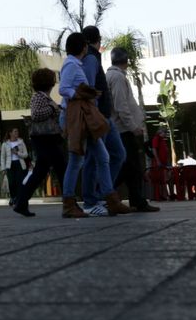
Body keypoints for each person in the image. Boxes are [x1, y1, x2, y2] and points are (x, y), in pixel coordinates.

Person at [60, 31, 124, 217]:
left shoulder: (74, 64)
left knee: (102, 157)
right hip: (78, 118)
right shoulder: (71, 64)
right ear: (83, 47)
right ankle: (70, 203)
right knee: (77, 160)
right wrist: (80, 94)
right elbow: (63, 88)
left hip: (83, 117)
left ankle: (110, 200)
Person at [78, 25, 128, 210]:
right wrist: (95, 113)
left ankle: (100, 195)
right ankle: (94, 198)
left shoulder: (91, 57)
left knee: (114, 154)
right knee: (96, 158)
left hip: (104, 116)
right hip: (99, 116)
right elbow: (89, 87)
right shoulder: (91, 58)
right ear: (98, 41)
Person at [107, 46, 160, 212]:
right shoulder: (117, 77)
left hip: (120, 129)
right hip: (123, 129)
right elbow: (121, 106)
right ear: (126, 61)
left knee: (128, 167)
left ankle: (135, 200)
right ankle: (107, 194)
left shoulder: (112, 75)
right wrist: (133, 126)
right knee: (130, 166)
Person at [12, 68, 64, 217]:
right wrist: (52, 108)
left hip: (46, 138)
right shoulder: (39, 97)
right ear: (49, 82)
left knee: (40, 172)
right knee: (61, 168)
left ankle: (21, 202)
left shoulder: (44, 97)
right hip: (44, 138)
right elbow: (36, 115)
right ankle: (70, 201)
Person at [1, 127, 29, 209]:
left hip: (19, 164)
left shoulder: (21, 142)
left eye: (17, 131)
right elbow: (2, 157)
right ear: (10, 133)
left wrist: (17, 153)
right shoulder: (5, 144)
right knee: (11, 182)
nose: (17, 133)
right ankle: (13, 197)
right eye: (15, 131)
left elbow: (26, 155)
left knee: (19, 182)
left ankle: (18, 198)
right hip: (9, 165)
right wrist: (3, 168)